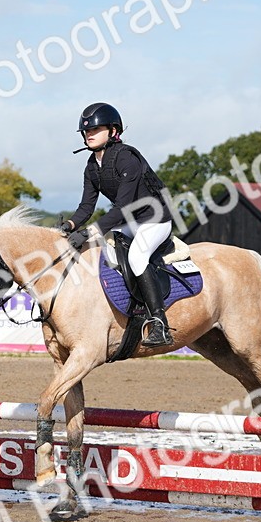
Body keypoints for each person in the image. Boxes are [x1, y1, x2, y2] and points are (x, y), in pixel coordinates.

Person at [61, 102, 175, 347]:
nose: (89, 134)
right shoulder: (92, 166)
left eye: (96, 129)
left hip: (155, 220)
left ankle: (159, 323)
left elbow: (122, 207)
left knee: (137, 257)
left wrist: (89, 232)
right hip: (130, 222)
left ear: (113, 130)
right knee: (99, 252)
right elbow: (86, 207)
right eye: (86, 131)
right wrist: (69, 225)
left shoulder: (126, 158)